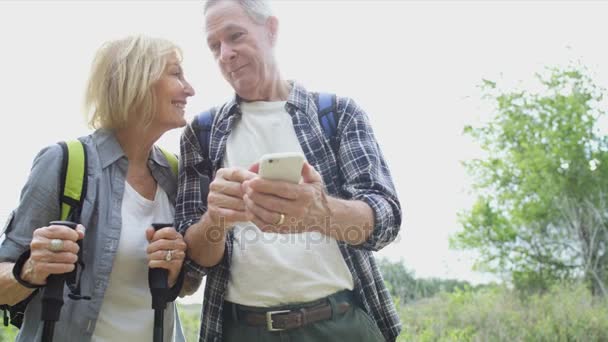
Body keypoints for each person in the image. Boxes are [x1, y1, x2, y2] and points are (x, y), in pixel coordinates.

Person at [176, 1, 403, 341]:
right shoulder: (202, 132)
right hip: (243, 330)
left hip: (340, 324)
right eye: (214, 47)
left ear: (271, 30)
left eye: (235, 36)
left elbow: (385, 221)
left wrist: (319, 213)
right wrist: (215, 221)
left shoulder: (337, 113)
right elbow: (195, 263)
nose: (226, 54)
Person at [0, 35, 195, 341]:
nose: (189, 89)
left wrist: (177, 269)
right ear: (137, 80)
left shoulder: (175, 172)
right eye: (176, 73)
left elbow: (187, 286)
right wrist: (30, 269)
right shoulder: (63, 162)